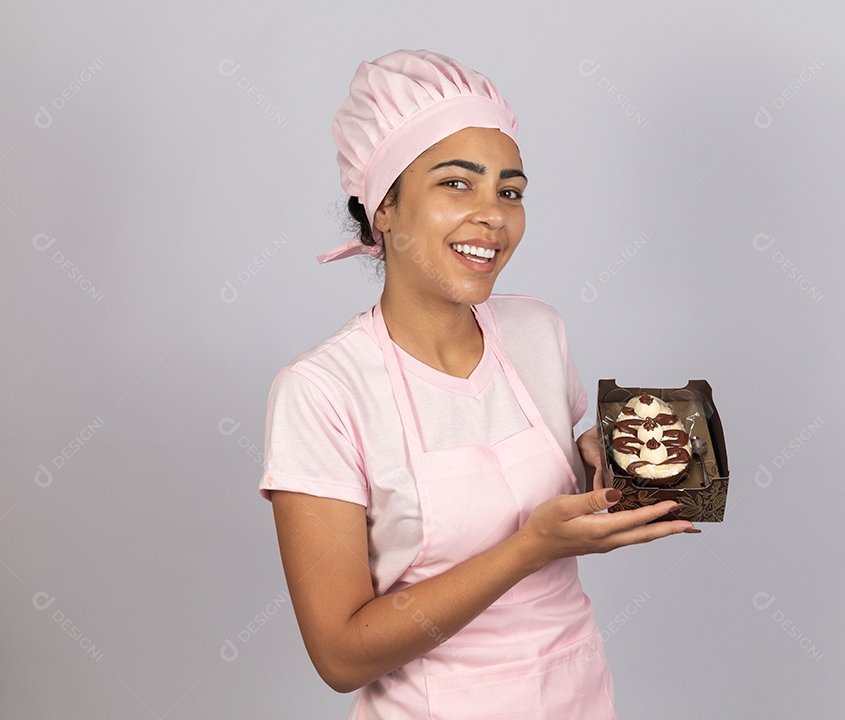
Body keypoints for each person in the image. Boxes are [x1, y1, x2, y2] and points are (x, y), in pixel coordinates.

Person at [258, 48, 700, 719]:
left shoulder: (538, 333)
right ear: (383, 208)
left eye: (510, 191)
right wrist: (530, 548)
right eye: (456, 184)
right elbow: (341, 655)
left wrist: (600, 472)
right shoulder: (322, 391)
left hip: (577, 699)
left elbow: (543, 497)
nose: (493, 215)